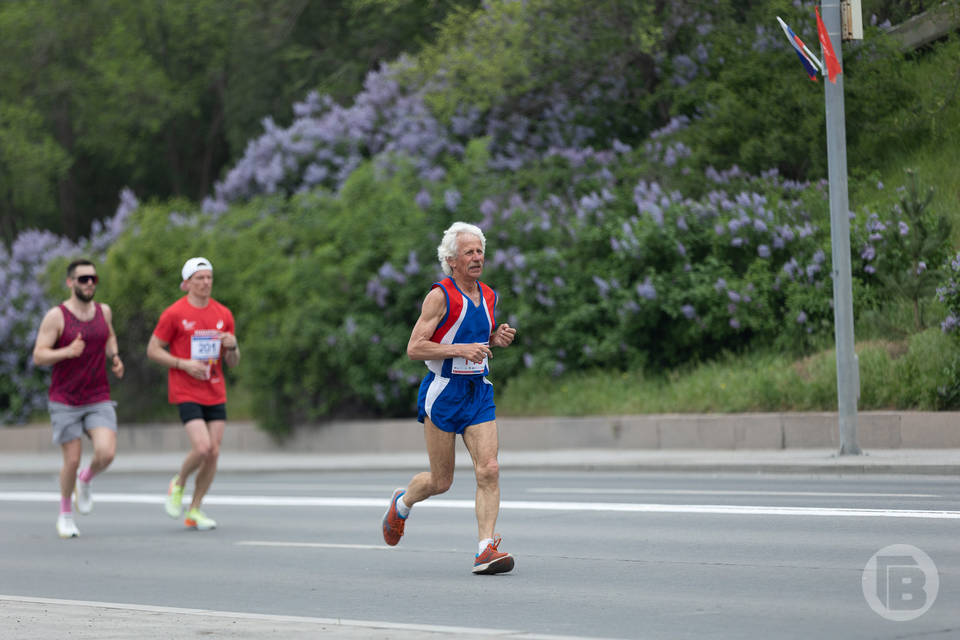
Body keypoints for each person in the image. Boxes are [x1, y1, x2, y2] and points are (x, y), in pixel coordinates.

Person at [382, 222, 518, 575]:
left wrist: (495, 337)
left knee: (489, 469)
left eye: (479, 251)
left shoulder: (489, 295)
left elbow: (477, 335)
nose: (477, 258)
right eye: (469, 253)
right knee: (441, 482)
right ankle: (403, 502)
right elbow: (414, 348)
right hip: (444, 392)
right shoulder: (439, 295)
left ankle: (485, 549)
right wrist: (462, 349)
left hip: (478, 392)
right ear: (451, 260)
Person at [32, 259, 125, 539]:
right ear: (70, 282)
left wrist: (115, 357)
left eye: (93, 279)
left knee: (106, 453)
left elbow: (109, 336)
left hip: (97, 395)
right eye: (82, 279)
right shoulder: (57, 316)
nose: (88, 284)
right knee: (71, 460)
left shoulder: (103, 311)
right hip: (65, 399)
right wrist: (66, 352)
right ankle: (65, 513)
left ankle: (85, 481)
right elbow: (39, 355)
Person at [146, 257, 239, 531]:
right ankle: (179, 482)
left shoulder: (223, 314)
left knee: (213, 453)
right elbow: (153, 350)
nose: (205, 282)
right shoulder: (174, 314)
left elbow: (232, 362)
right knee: (202, 447)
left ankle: (195, 509)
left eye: (209, 277)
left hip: (215, 389)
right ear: (187, 283)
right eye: (199, 278)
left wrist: (233, 347)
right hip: (186, 389)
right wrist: (182, 363)